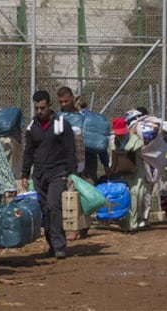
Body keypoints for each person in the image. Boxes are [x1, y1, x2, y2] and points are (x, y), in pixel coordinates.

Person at [22, 90, 77, 259]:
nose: (40, 111)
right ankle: (52, 246)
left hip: (58, 172)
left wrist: (71, 174)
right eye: (37, 108)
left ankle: (60, 245)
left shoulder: (62, 125)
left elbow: (70, 149)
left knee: (54, 207)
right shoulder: (32, 127)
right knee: (44, 210)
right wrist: (24, 174)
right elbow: (29, 152)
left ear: (49, 105)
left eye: (43, 108)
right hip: (39, 174)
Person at [57, 86, 110, 240]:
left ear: (73, 98)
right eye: (61, 101)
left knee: (87, 193)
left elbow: (99, 142)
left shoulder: (87, 117)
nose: (64, 104)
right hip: (68, 161)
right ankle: (72, 229)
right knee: (71, 193)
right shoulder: (60, 117)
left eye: (66, 100)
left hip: (88, 160)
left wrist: (105, 164)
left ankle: (84, 226)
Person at [110, 116, 145, 233]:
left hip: (136, 170)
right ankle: (129, 225)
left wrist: (133, 135)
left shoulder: (134, 137)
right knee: (127, 197)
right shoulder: (113, 139)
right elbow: (113, 156)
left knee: (138, 195)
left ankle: (132, 222)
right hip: (123, 171)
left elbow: (132, 147)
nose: (119, 135)